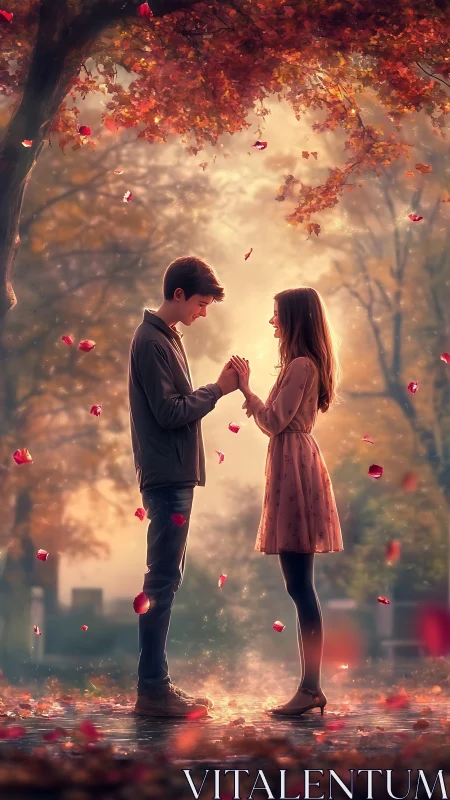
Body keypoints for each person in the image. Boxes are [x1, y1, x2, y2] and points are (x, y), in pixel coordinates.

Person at [128, 255, 239, 718]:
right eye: (200, 302)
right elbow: (170, 413)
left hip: (175, 474)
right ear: (177, 295)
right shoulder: (153, 341)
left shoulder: (167, 337)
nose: (203, 312)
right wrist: (218, 389)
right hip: (167, 477)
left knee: (165, 582)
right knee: (162, 582)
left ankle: (157, 685)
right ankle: (153, 690)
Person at [229, 287, 344, 717]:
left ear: (294, 318)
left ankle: (311, 687)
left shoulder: (300, 365)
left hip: (295, 470)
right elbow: (276, 420)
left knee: (300, 586)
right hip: (291, 468)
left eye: (277, 315)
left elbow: (274, 421)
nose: (272, 322)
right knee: (299, 586)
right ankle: (309, 686)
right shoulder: (298, 364)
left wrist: (246, 390)